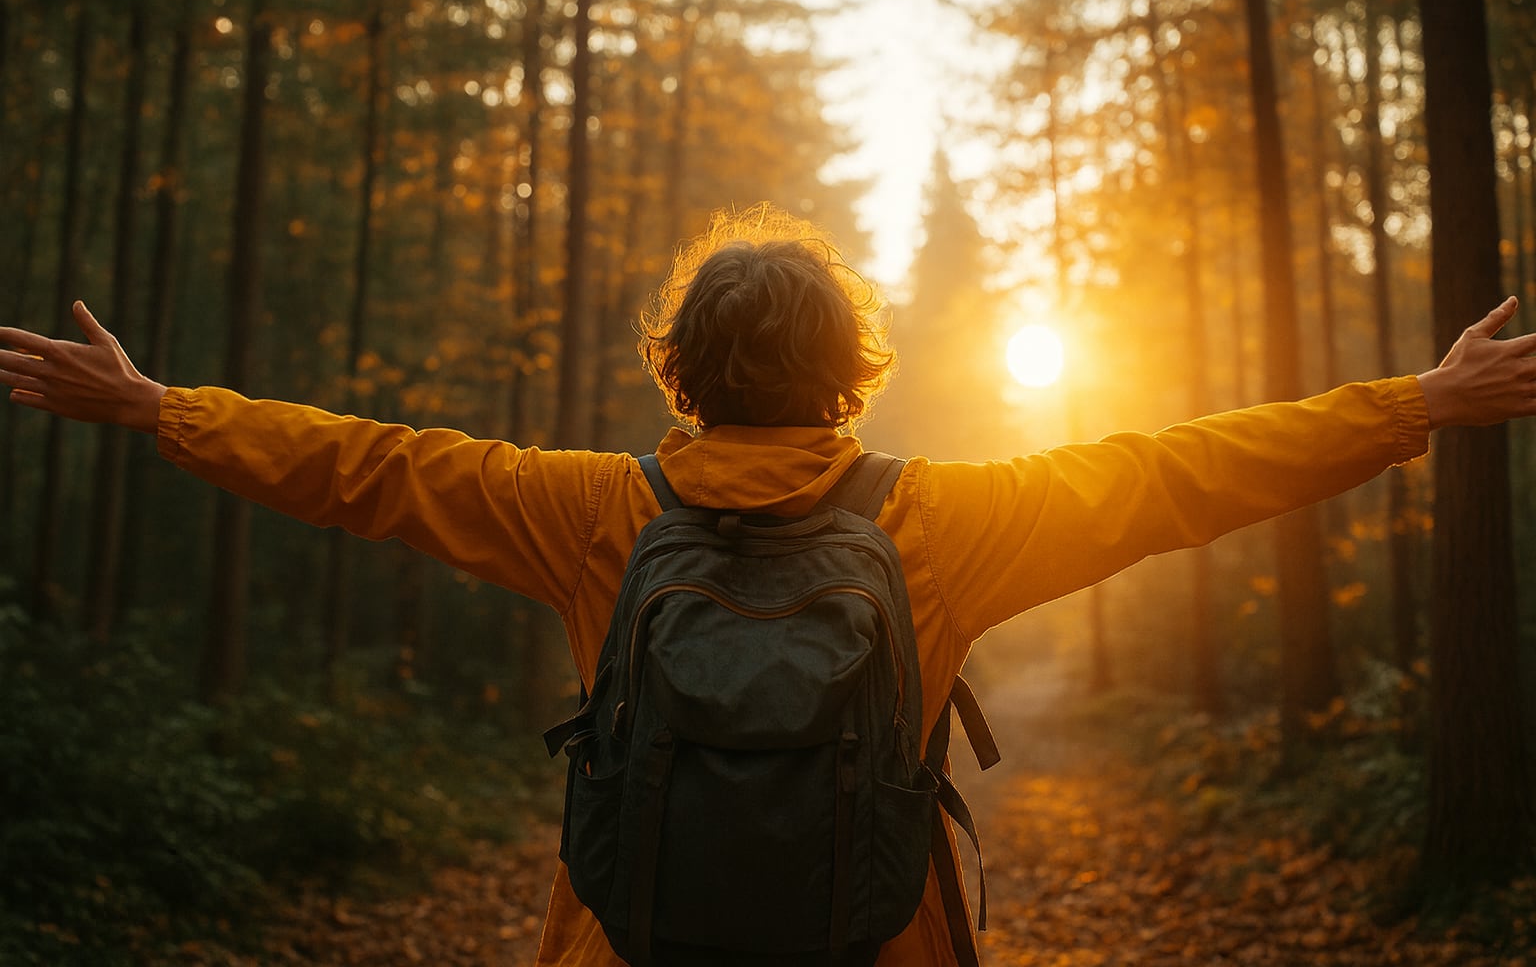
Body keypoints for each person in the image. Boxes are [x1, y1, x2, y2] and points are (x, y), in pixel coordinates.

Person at [3, 203, 1536, 967]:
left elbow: (371, 464)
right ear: (854, 378)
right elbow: (1187, 467)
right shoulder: (948, 519)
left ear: (679, 374)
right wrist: (1417, 405)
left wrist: (161, 413)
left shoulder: (593, 509)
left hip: (631, 936)